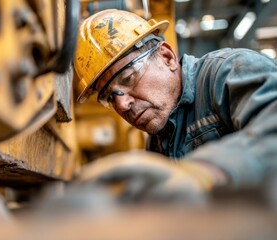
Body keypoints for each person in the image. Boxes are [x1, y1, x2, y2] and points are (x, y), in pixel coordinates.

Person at [72, 9, 277, 204]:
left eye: (128, 78)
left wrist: (204, 172)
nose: (122, 104)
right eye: (109, 97)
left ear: (167, 57)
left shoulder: (228, 73)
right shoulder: (157, 141)